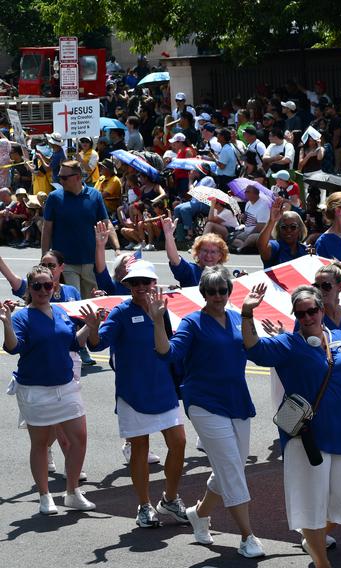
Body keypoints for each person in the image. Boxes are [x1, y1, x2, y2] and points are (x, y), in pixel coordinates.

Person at [243, 284, 341, 568]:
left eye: (312, 310)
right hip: (307, 439)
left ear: (321, 310)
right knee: (312, 506)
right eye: (300, 313)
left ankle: (312, 540)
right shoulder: (287, 345)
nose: (307, 317)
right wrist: (246, 314)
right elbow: (254, 349)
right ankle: (321, 561)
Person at [149, 267, 265, 556]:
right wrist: (156, 322)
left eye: (222, 290)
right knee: (231, 470)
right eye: (211, 291)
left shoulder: (239, 317)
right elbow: (167, 352)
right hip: (204, 403)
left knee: (231, 467)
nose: (217, 296)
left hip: (236, 400)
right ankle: (247, 536)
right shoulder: (192, 323)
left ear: (229, 292)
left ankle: (199, 513)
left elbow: (258, 350)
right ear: (203, 293)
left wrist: (251, 314)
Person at [82, 261, 188, 527]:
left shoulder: (160, 311)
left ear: (153, 284)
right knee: (140, 448)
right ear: (128, 285)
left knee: (179, 443)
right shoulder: (119, 313)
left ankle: (170, 500)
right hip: (133, 392)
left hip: (163, 388)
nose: (141, 287)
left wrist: (157, 318)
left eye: (146, 282)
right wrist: (93, 327)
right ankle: (144, 506)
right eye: (135, 282)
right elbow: (98, 343)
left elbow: (168, 347)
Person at [1, 265, 94, 515]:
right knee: (40, 444)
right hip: (36, 390)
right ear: (29, 289)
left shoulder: (61, 312)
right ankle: (45, 495)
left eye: (48, 285)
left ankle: (73, 492)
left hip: (66, 385)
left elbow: (74, 343)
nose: (43, 290)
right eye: (37, 286)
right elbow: (13, 348)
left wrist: (89, 324)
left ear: (54, 287)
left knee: (79, 439)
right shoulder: (22, 317)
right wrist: (7, 325)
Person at [42, 160, 118, 298]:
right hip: (66, 264)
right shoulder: (54, 197)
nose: (60, 180)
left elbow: (107, 224)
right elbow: (47, 230)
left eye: (64, 177)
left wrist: (117, 249)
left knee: (92, 304)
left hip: (92, 262)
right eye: (59, 177)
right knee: (73, 303)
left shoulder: (95, 196)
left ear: (78, 177)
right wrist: (45, 259)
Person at [162, 217, 231, 287]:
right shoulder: (191, 271)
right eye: (205, 250)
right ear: (197, 252)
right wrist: (168, 235)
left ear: (220, 255)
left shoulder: (223, 275)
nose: (208, 255)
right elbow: (174, 260)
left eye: (213, 252)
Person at [257, 198, 308, 269]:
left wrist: (313, 257)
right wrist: (272, 220)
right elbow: (261, 245)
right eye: (284, 227)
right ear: (278, 229)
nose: (288, 230)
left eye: (293, 227)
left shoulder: (305, 250)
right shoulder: (275, 247)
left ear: (300, 229)